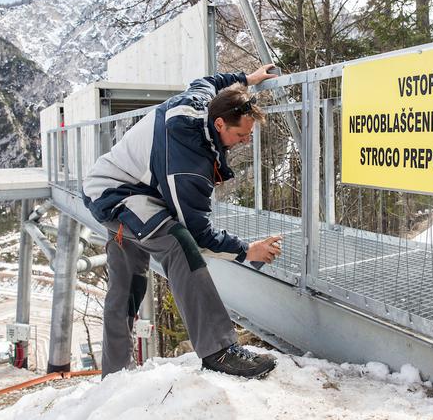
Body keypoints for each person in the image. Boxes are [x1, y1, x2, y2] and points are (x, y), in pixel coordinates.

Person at [82, 65, 283, 380]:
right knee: (178, 243)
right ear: (219, 124)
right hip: (116, 195)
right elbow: (198, 234)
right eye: (241, 134)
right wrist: (247, 251)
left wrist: (248, 79)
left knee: (127, 284)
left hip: (120, 187)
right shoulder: (189, 163)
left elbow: (207, 81)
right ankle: (219, 351)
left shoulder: (201, 101)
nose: (245, 141)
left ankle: (115, 373)